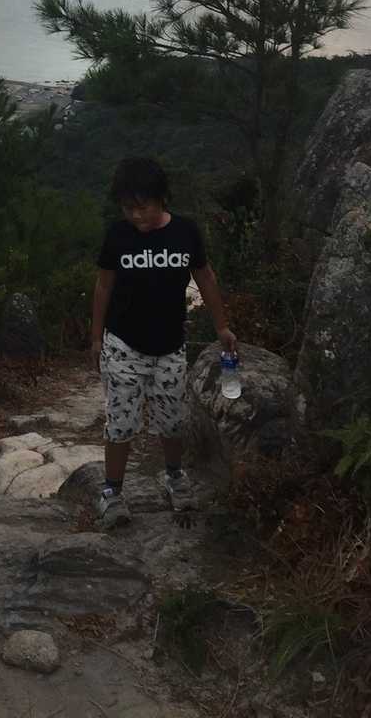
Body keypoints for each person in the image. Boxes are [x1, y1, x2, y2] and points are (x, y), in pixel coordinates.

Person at [91, 156, 237, 529]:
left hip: (170, 345)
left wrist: (222, 327)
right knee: (121, 422)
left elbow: (205, 277)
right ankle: (111, 492)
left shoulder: (185, 232)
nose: (135, 215)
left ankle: (174, 476)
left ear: (162, 199)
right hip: (123, 344)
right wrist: (96, 338)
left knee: (172, 422)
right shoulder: (118, 235)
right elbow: (103, 285)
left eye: (143, 207)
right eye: (128, 208)